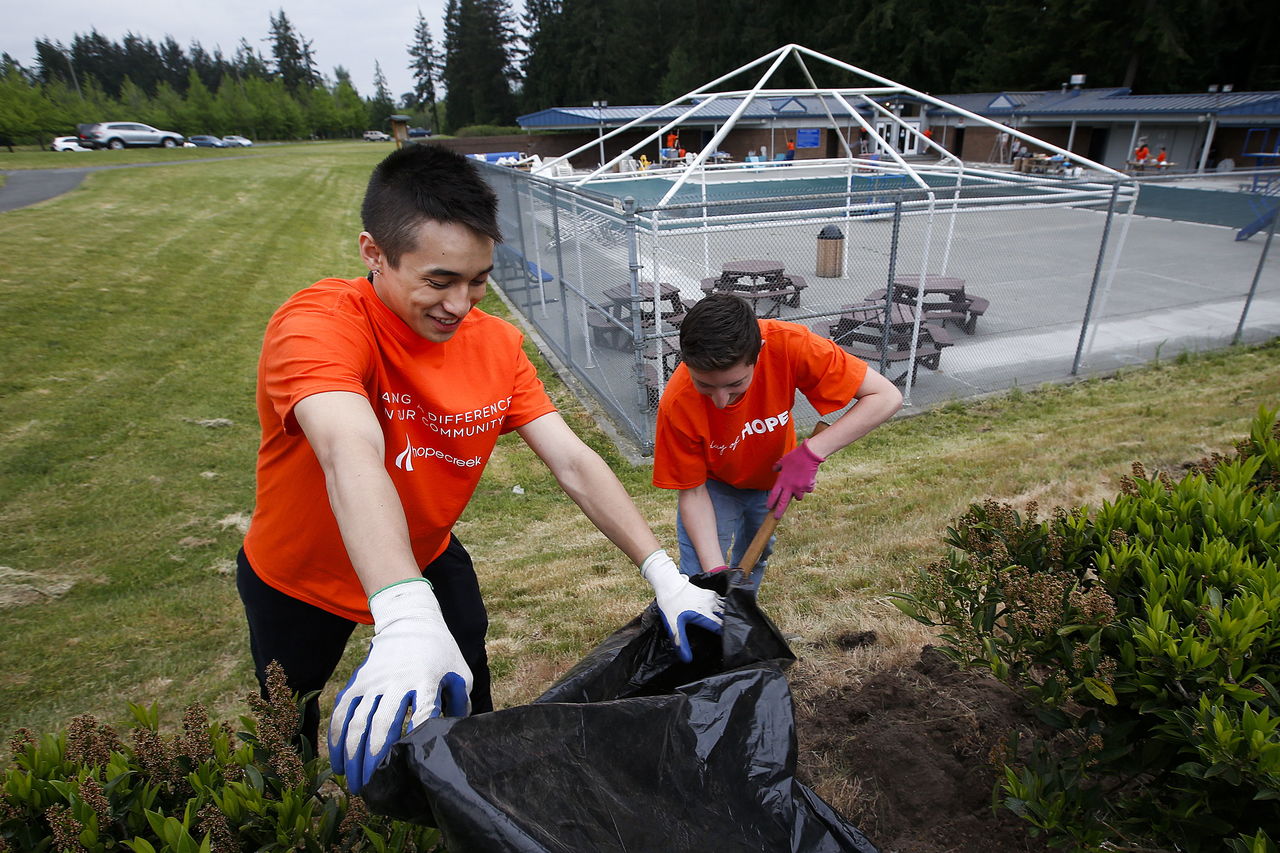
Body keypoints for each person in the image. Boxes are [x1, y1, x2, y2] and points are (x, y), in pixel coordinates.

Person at [236, 144, 722, 794]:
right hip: (298, 572)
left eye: (478, 279)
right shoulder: (317, 325)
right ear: (372, 253)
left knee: (466, 680)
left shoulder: (496, 346)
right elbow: (347, 446)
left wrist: (663, 571)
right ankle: (284, 815)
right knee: (285, 722)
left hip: (426, 547)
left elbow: (574, 461)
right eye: (438, 280)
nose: (460, 304)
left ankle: (477, 796)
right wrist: (405, 611)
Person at [652, 293, 903, 590]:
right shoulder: (677, 403)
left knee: (755, 558)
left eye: (735, 385)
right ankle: (701, 631)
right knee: (701, 577)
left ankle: (743, 620)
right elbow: (692, 495)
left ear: (759, 352)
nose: (720, 402)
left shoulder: (789, 344)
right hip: (712, 484)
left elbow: (886, 397)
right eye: (705, 385)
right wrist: (716, 573)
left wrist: (812, 453)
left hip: (774, 477)